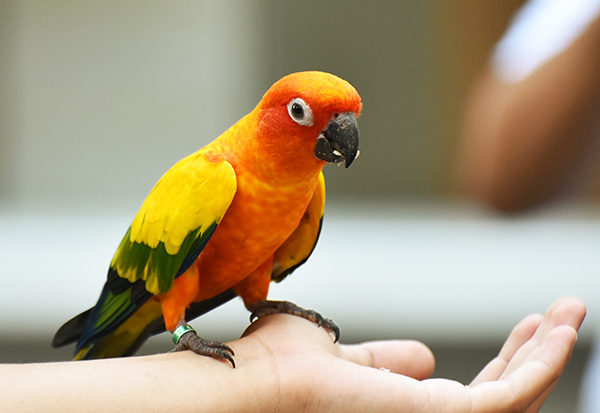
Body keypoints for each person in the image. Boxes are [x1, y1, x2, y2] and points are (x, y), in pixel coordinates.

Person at [0, 296, 586, 412]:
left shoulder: (307, 193)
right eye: (307, 113)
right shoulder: (215, 177)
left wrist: (268, 377)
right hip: (159, 296)